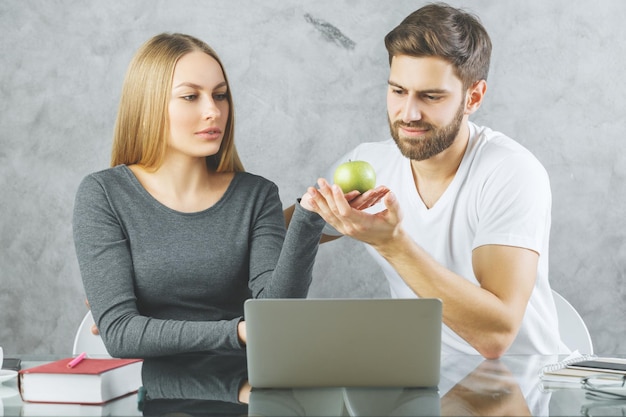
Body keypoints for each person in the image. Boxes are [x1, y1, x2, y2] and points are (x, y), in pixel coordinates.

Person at [300, 2, 564, 359]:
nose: (408, 113)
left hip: (521, 384)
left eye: (431, 96)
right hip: (423, 380)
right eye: (398, 91)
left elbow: (495, 336)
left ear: (473, 97)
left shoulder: (511, 172)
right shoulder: (369, 163)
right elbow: (275, 232)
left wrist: (392, 244)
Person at [72, 33, 327, 358]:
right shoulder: (104, 195)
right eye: (191, 96)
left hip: (246, 390)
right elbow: (121, 333)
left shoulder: (257, 195)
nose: (214, 111)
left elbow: (274, 313)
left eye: (220, 96)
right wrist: (237, 331)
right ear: (148, 103)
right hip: (151, 395)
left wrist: (309, 217)